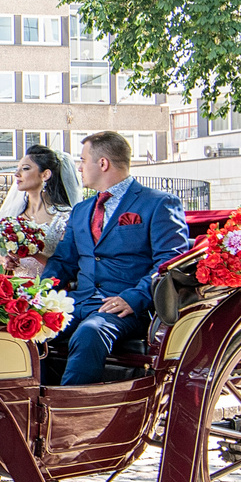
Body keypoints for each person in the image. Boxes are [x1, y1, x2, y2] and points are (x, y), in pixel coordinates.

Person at [41, 130, 191, 386]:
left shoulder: (158, 203)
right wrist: (41, 292)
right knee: (25, 326)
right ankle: (33, 404)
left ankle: (71, 413)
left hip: (128, 307)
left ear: (103, 163)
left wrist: (134, 298)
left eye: (83, 160)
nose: (79, 167)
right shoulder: (80, 211)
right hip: (79, 301)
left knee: (90, 332)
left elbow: (170, 262)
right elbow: (63, 262)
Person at [0, 143, 75, 280]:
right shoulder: (13, 218)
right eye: (17, 168)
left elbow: (67, 266)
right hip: (17, 291)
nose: (17, 174)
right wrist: (6, 262)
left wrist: (33, 253)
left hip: (50, 291)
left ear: (45, 174)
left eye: (25, 168)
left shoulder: (65, 217)